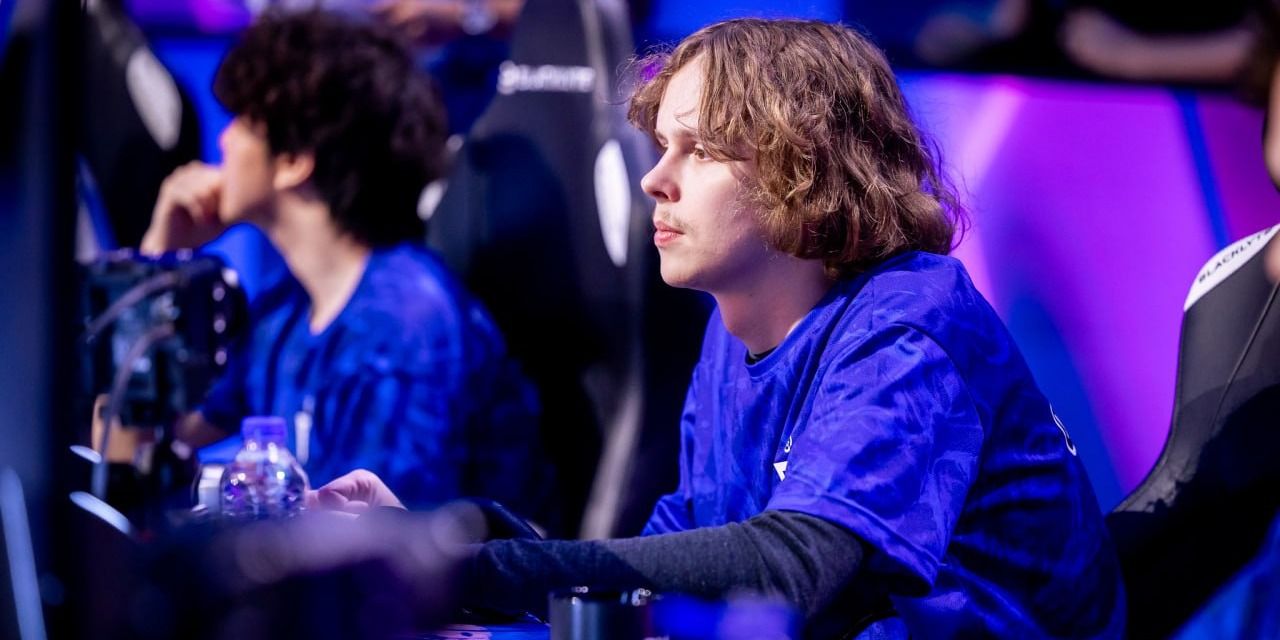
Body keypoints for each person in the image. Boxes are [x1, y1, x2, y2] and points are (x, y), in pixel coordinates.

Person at [310, 18, 1124, 638]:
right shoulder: (732, 333)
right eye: (662, 146)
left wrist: (463, 570)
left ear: (805, 164)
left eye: (698, 150)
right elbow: (672, 567)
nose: (655, 180)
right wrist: (441, 539)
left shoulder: (911, 320)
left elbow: (796, 567)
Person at [140, 10, 541, 513]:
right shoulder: (285, 313)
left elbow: (384, 544)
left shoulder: (401, 327)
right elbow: (140, 441)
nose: (225, 140)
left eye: (243, 122)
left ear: (293, 161)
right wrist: (160, 258)